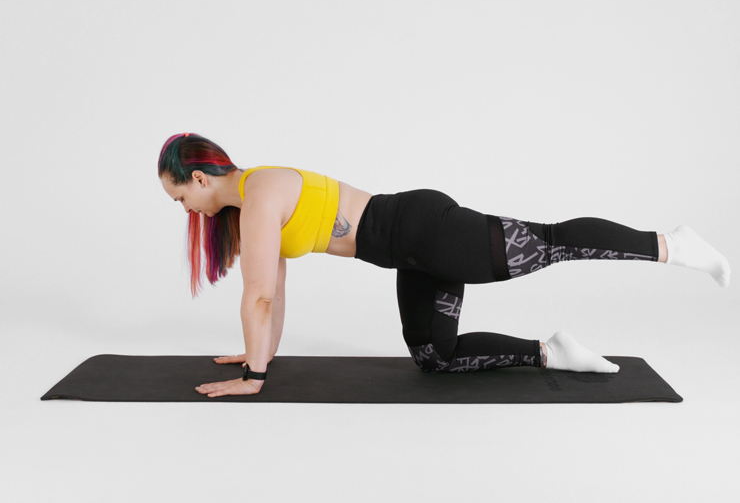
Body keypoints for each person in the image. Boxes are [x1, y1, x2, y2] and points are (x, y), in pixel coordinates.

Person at [158, 132, 731, 398]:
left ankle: (671, 244)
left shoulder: (259, 196)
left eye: (180, 197)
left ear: (199, 179)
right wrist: (259, 356)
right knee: (436, 356)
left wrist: (252, 380)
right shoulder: (253, 202)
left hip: (425, 231)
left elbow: (258, 296)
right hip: (409, 253)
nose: (185, 209)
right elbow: (275, 293)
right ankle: (554, 353)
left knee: (551, 242)